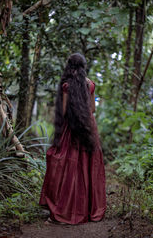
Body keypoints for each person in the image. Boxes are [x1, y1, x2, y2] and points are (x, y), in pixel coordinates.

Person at [39, 53, 106, 225]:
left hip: (72, 127)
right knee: (89, 165)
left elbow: (63, 111)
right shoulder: (90, 84)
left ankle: (65, 209)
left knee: (68, 166)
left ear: (69, 66)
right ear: (84, 66)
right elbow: (92, 108)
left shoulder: (67, 85)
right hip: (88, 127)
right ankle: (89, 209)